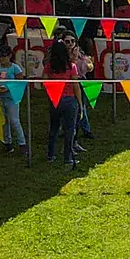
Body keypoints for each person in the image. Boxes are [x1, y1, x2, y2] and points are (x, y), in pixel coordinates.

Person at [43, 35, 82, 169]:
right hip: (69, 100)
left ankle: (50, 155)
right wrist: (80, 103)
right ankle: (68, 158)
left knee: (53, 128)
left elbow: (44, 82)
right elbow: (76, 86)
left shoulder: (49, 66)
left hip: (55, 100)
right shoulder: (71, 66)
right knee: (69, 130)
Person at [0, 45, 29, 156]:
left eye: (4, 56)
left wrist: (8, 88)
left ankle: (22, 143)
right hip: (0, 97)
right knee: (4, 121)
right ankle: (7, 143)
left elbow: (20, 83)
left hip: (12, 98)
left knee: (14, 121)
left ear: (9, 56)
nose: (1, 59)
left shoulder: (15, 68)